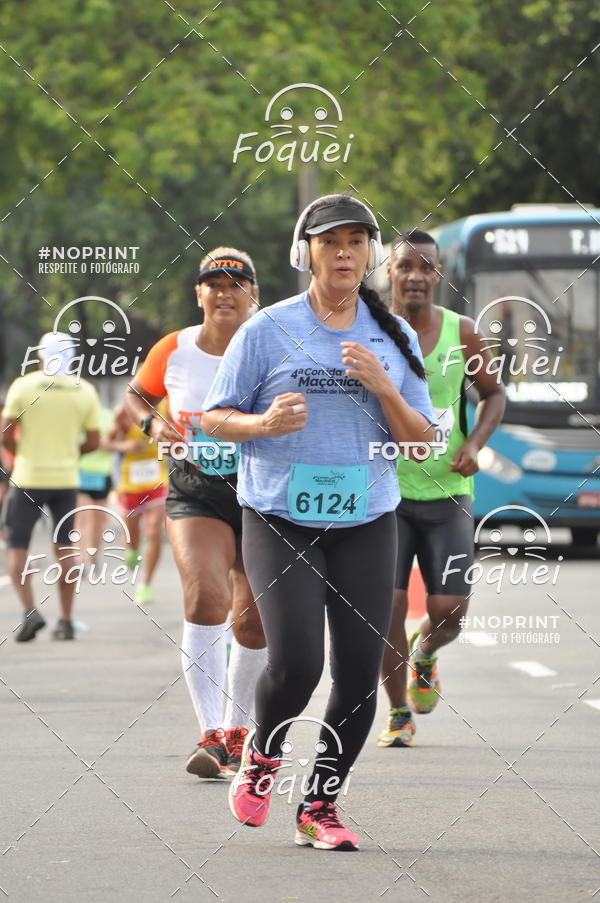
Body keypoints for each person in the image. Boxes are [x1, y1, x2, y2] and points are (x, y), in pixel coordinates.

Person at [202, 196, 436, 850]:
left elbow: (420, 443)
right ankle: (263, 754)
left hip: (366, 518)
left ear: (370, 254)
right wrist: (263, 424)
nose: (344, 253)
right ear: (303, 251)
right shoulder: (265, 330)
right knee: (299, 662)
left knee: (360, 677)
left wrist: (384, 388)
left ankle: (320, 804)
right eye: (330, 241)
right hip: (279, 516)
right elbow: (214, 417)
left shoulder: (395, 337)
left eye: (357, 241)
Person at [125, 247, 267, 778]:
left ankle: (238, 731)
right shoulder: (175, 348)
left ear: (254, 292)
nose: (225, 291)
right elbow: (137, 395)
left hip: (262, 493)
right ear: (199, 293)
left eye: (238, 281)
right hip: (196, 490)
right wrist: (152, 425)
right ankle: (211, 735)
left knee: (252, 620)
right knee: (205, 596)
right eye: (214, 282)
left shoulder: (273, 346)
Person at [377, 230, 506, 748]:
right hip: (383, 492)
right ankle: (398, 714)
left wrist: (474, 443)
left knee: (450, 607)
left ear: (437, 275)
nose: (414, 275)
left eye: (424, 267)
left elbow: (494, 396)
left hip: (448, 493)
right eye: (405, 265)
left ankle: (425, 651)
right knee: (384, 607)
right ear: (390, 271)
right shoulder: (370, 330)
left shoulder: (463, 332)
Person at [0, 333, 100, 641]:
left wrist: (19, 455)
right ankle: (66, 620)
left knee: (18, 547)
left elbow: (5, 431)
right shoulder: (85, 391)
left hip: (28, 478)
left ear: (41, 355)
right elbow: (93, 441)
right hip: (65, 481)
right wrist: (70, 455)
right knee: (66, 550)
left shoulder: (24, 386)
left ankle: (31, 612)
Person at [103, 401, 168, 605]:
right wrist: (125, 445)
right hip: (130, 483)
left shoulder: (168, 407)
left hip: (158, 479)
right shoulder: (125, 411)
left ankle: (145, 585)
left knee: (154, 530)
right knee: (132, 537)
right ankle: (131, 550)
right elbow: (106, 442)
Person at [76, 403, 115, 565]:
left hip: (101, 473)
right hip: (81, 472)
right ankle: (81, 559)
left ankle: (91, 558)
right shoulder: (78, 413)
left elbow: (113, 441)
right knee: (83, 520)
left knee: (95, 521)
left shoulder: (108, 415)